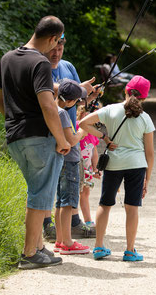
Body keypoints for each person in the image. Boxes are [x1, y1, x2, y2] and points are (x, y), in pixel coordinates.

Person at [0, 15, 70, 270]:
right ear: (52, 38)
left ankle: (38, 247)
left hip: (15, 138)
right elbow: (48, 105)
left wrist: (13, 118)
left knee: (37, 192)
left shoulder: (8, 58)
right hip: (40, 138)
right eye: (56, 43)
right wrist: (62, 139)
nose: (55, 48)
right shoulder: (40, 63)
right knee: (40, 195)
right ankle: (28, 253)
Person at [79, 75, 155, 262]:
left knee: (105, 204)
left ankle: (98, 247)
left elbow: (82, 123)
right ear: (144, 97)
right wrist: (147, 178)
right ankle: (129, 251)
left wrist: (104, 137)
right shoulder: (145, 118)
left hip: (113, 164)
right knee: (132, 207)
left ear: (125, 91)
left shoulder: (110, 110)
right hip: (136, 166)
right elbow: (150, 153)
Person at [43, 35, 97, 240]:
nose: (56, 53)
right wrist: (85, 130)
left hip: (69, 135)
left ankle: (71, 225)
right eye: (53, 49)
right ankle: (49, 226)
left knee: (69, 188)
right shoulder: (39, 67)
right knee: (55, 186)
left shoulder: (68, 67)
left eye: (60, 48)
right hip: (55, 139)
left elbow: (77, 98)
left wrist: (88, 97)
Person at [53, 79, 106, 255]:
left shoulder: (55, 109)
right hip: (70, 161)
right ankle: (68, 242)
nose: (78, 103)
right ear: (69, 101)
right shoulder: (63, 114)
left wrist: (92, 97)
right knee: (68, 202)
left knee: (61, 202)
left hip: (62, 161)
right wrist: (85, 129)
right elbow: (73, 139)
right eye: (76, 101)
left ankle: (60, 240)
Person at [77, 102, 100, 228]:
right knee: (74, 193)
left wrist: (95, 168)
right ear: (81, 113)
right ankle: (72, 219)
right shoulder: (76, 127)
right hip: (76, 167)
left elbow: (94, 152)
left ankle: (87, 220)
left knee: (85, 194)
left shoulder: (93, 132)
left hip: (88, 169)